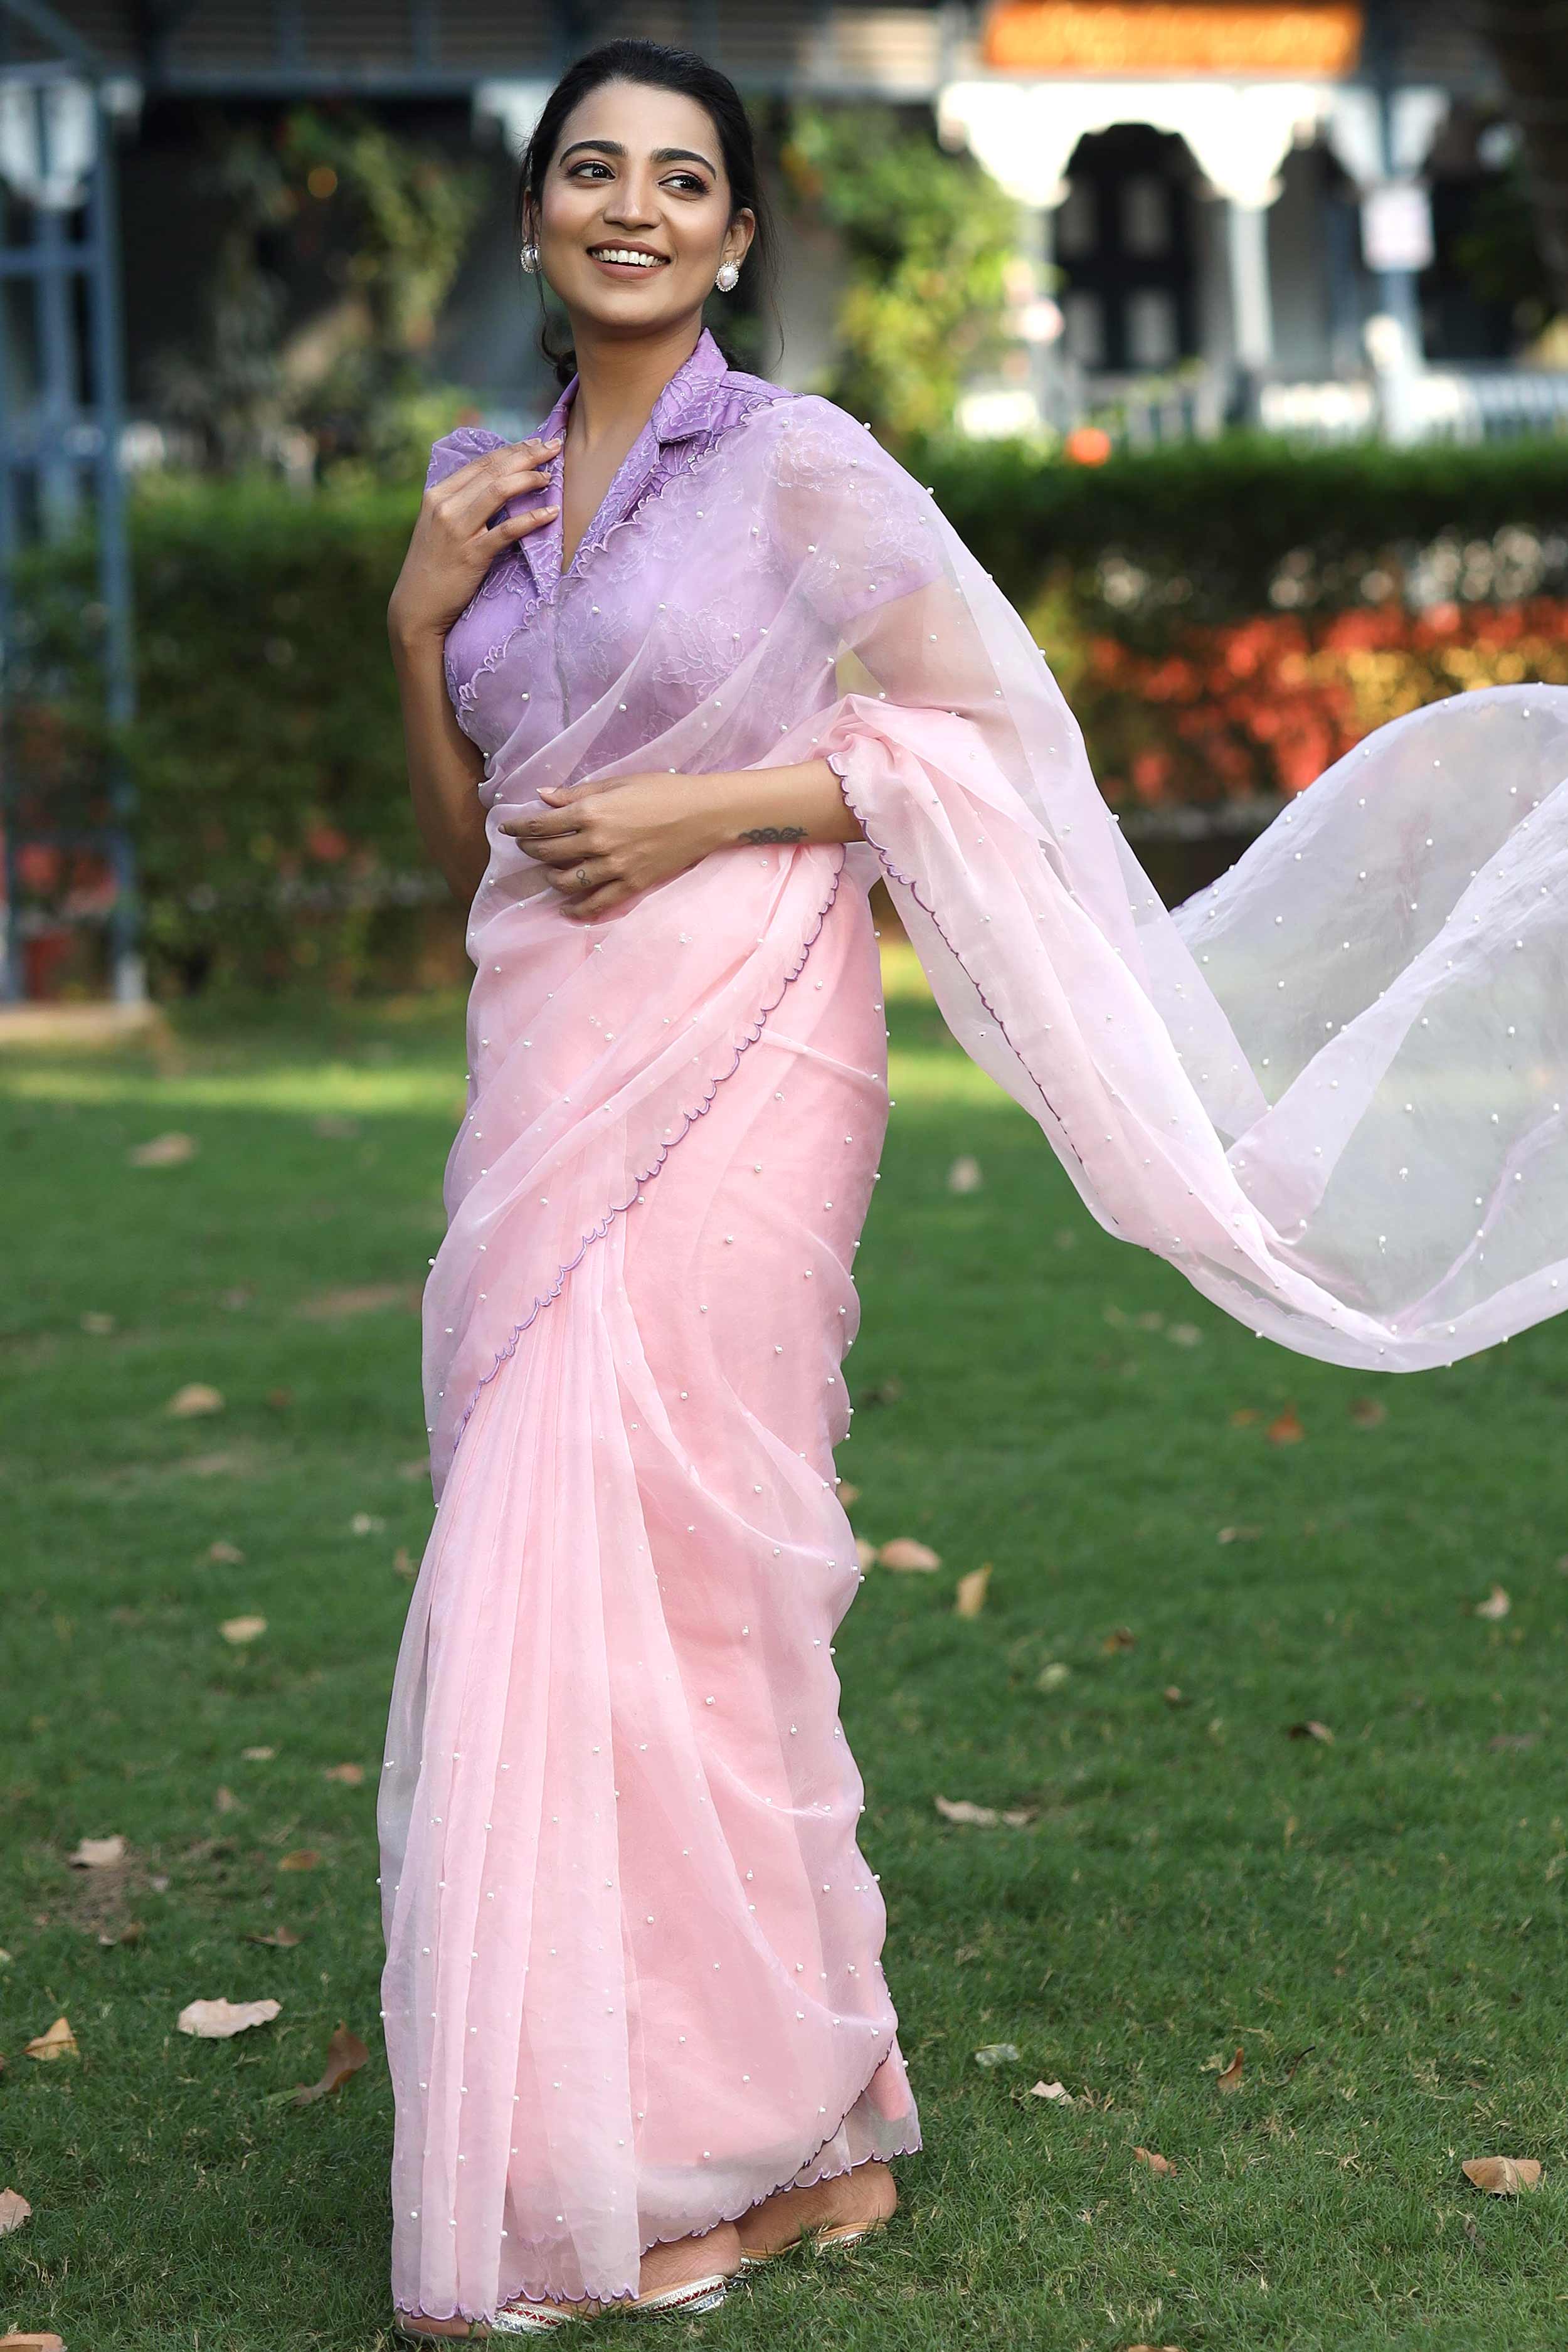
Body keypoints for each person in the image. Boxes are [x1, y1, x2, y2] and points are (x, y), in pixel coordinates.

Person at [380, 33, 1568, 2343]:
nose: (631, 206)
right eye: (589, 171)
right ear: (534, 220)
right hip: (543, 1049)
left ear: (736, 236)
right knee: (538, 1548)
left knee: (707, 1565)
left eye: (681, 178)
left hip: (748, 1033)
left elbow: (981, 749)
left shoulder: (804, 473)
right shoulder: (476, 490)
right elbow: (467, 854)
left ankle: (748, 2135)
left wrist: (712, 811)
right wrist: (413, 625)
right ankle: (702, 2132)